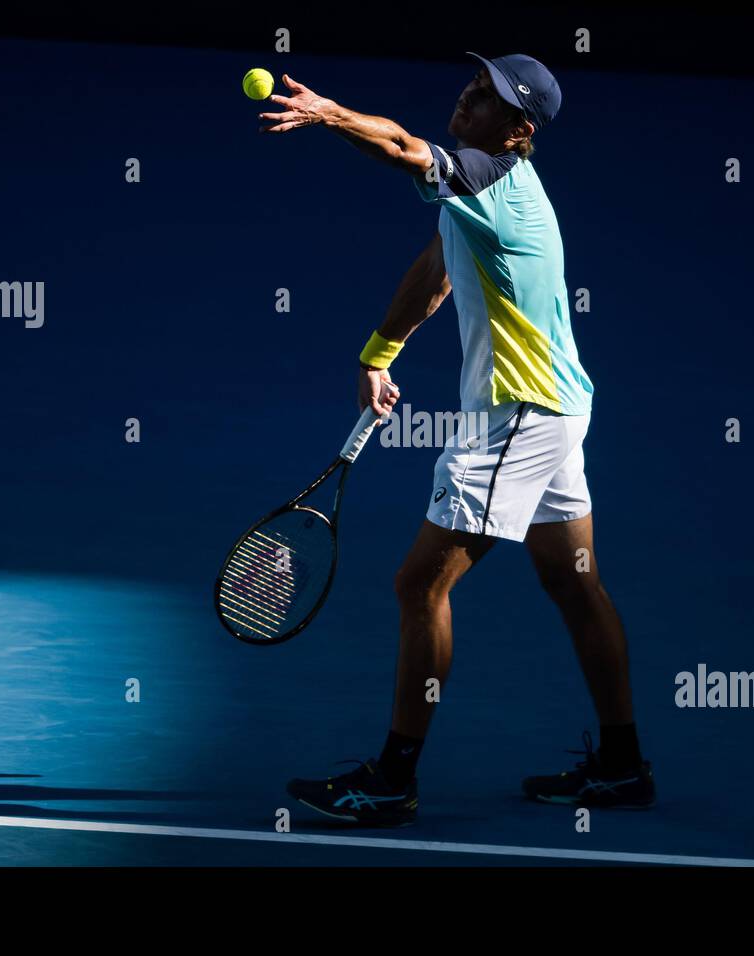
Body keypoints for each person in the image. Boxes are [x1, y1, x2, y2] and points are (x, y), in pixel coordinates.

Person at [260, 53, 653, 826]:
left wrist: (332, 114)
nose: (469, 96)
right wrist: (380, 352)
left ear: (518, 131)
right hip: (560, 410)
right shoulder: (477, 191)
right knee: (574, 583)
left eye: (490, 98)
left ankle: (391, 780)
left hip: (518, 415)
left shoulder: (492, 179)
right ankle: (621, 765)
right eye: (475, 83)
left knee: (419, 586)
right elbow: (439, 269)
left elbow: (403, 146)